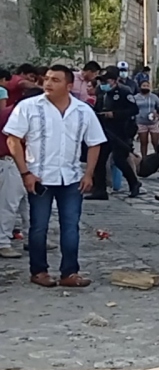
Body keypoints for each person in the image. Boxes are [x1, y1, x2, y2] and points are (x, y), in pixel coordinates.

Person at [3, 65, 106, 287]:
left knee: (71, 226)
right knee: (38, 226)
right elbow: (13, 140)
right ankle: (38, 271)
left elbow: (95, 142)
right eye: (47, 79)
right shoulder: (28, 107)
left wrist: (89, 173)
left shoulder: (82, 111)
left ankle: (69, 272)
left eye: (55, 80)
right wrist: (25, 172)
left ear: (69, 86)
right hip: (39, 177)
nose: (48, 83)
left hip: (70, 177)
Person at [90, 66, 141, 199]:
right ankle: (100, 190)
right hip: (104, 130)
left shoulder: (124, 92)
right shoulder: (100, 92)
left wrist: (115, 114)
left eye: (107, 81)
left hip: (120, 131)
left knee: (120, 160)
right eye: (102, 81)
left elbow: (133, 110)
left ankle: (134, 183)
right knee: (99, 160)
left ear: (115, 80)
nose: (104, 84)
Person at [0, 88, 22, 259]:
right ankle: (2, 242)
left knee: (26, 204)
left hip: (19, 162)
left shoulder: (9, 112)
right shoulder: (15, 115)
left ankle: (34, 236)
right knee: (9, 203)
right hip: (10, 161)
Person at [134, 79, 159, 158]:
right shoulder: (136, 97)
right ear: (140, 87)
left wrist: (157, 114)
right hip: (141, 122)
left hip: (153, 123)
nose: (146, 87)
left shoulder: (154, 97)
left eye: (147, 86)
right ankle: (144, 160)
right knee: (143, 143)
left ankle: (158, 159)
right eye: (144, 86)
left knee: (155, 142)